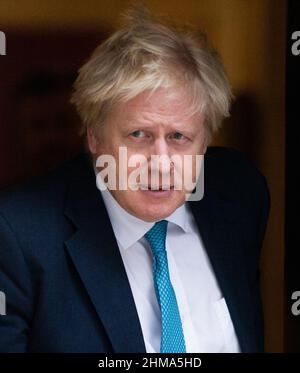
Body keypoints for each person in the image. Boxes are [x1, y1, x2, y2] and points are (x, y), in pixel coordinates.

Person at [0, 7, 270, 353]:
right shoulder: (19, 234)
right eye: (138, 134)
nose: (160, 164)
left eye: (179, 137)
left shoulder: (240, 195)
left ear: (205, 141)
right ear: (93, 136)